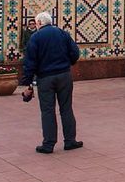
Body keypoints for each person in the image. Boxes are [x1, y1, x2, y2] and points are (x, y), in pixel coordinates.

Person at [20, 12, 82, 154]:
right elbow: (75, 53)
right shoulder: (62, 33)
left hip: (45, 78)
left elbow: (30, 62)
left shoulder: (35, 37)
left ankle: (48, 144)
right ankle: (70, 141)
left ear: (40, 23)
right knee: (66, 108)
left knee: (47, 111)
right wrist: (67, 64)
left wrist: (28, 83)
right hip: (64, 76)